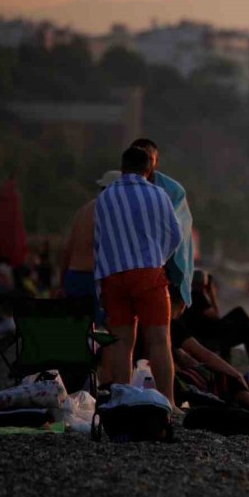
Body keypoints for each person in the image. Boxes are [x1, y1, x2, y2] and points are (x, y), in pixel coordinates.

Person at [96, 147, 181, 408]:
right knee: (158, 341)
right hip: (147, 273)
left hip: (113, 276)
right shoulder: (158, 194)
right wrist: (158, 258)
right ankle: (168, 402)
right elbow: (174, 236)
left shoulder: (105, 196)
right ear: (149, 169)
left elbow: (100, 240)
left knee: (122, 342)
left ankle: (123, 399)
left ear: (122, 168)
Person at [129, 138, 194, 315]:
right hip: (128, 271)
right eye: (139, 156)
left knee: (164, 326)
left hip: (166, 270)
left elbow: (176, 233)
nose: (143, 162)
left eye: (148, 158)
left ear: (156, 162)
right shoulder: (119, 189)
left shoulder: (172, 191)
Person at [60, 171, 121, 309]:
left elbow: (68, 250)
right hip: (97, 280)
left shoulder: (84, 210)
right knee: (99, 328)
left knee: (77, 328)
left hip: (74, 277)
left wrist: (62, 283)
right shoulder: (113, 212)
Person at [180, 270, 249, 366]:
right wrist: (212, 295)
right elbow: (215, 317)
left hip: (205, 336)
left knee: (246, 330)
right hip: (209, 338)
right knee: (240, 314)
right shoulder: (197, 295)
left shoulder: (187, 297)